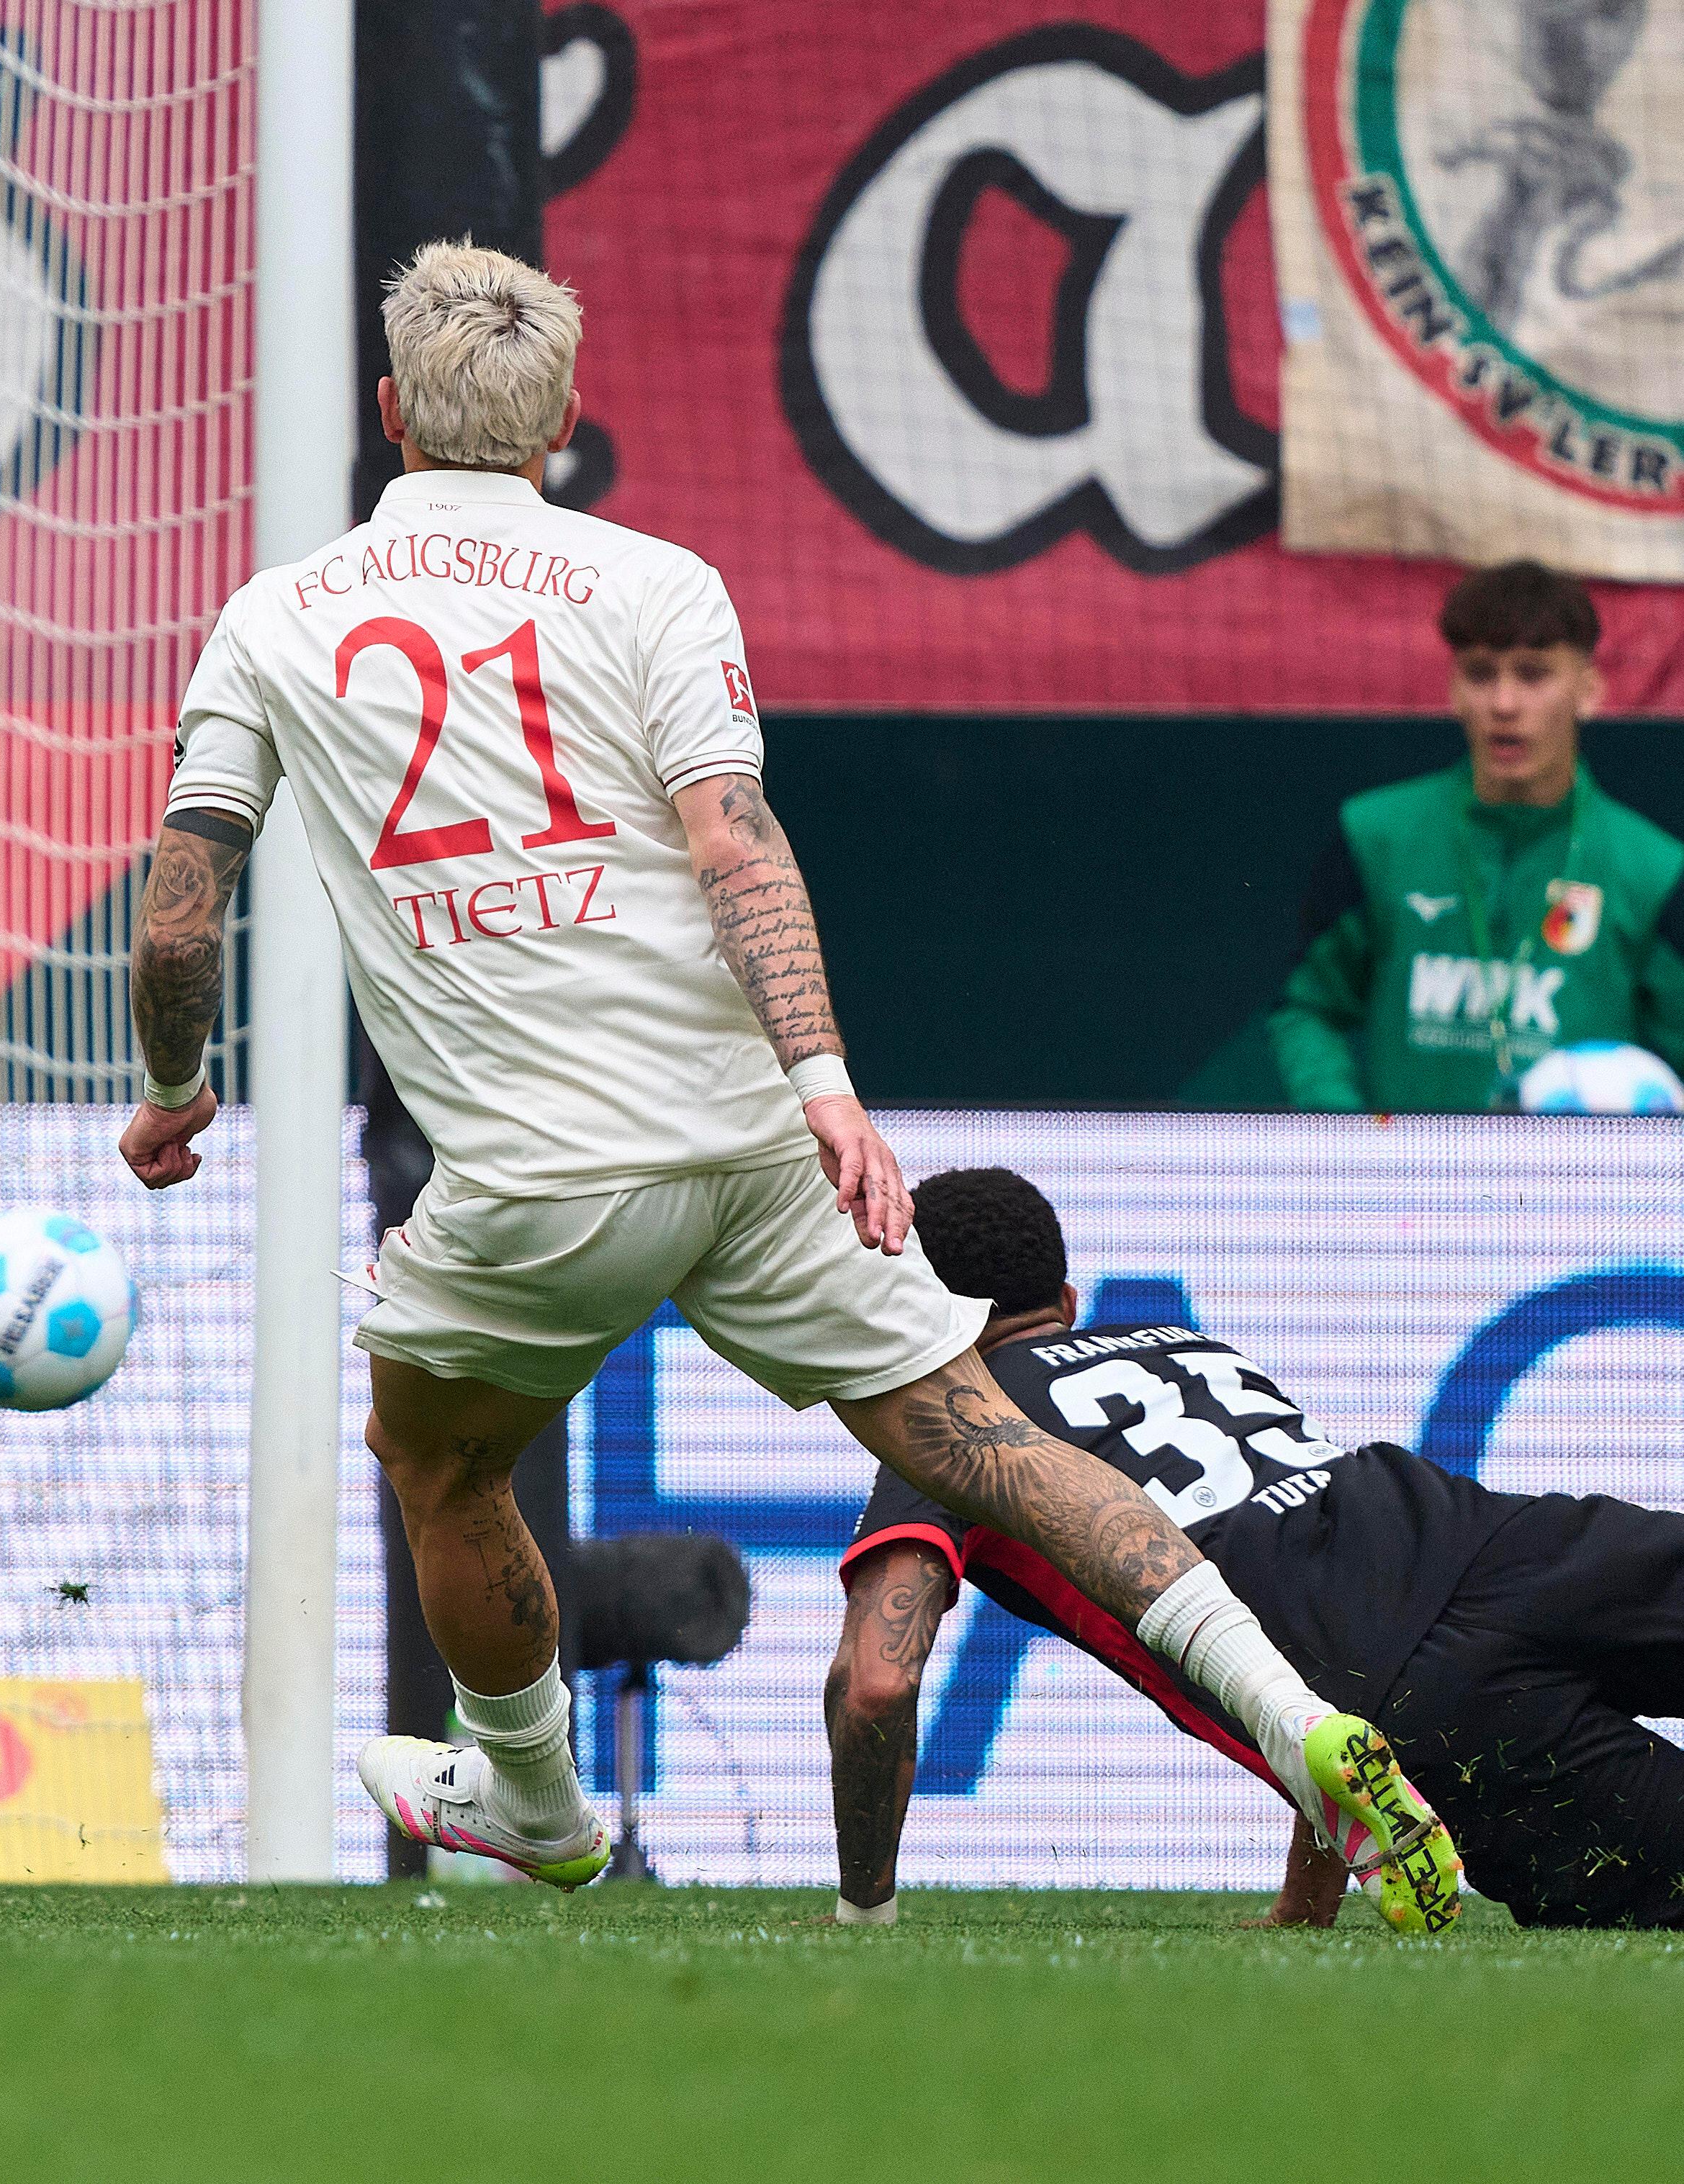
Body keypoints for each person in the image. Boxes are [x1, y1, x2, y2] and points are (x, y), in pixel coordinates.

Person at [120, 239, 1460, 1930]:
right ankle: (1304, 1725)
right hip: (752, 1138)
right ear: (567, 420)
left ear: (386, 410)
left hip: (533, 1176)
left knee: (435, 1456)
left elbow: (182, 911)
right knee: (979, 1436)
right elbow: (734, 838)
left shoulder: (274, 616)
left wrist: (175, 1084)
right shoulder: (658, 581)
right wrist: (823, 1079)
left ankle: (530, 1794)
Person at [833, 1165, 1684, 1929]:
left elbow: (875, 1686)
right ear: (1062, 1301)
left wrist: (861, 1908)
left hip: (1425, 1702)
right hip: (1510, 1541)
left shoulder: (943, 1426)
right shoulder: (1185, 1347)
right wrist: (1304, 1903)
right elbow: (1299, 1557)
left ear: (921, 1316)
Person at [1270, 559, 1684, 1110]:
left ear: (1589, 691)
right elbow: (1308, 1009)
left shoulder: (1653, 870)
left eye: (1534, 674)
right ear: (1454, 690)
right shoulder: (1377, 835)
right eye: (1480, 673)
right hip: (1405, 1189)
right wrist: (1350, 1139)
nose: (1504, 705)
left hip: (1570, 1191)